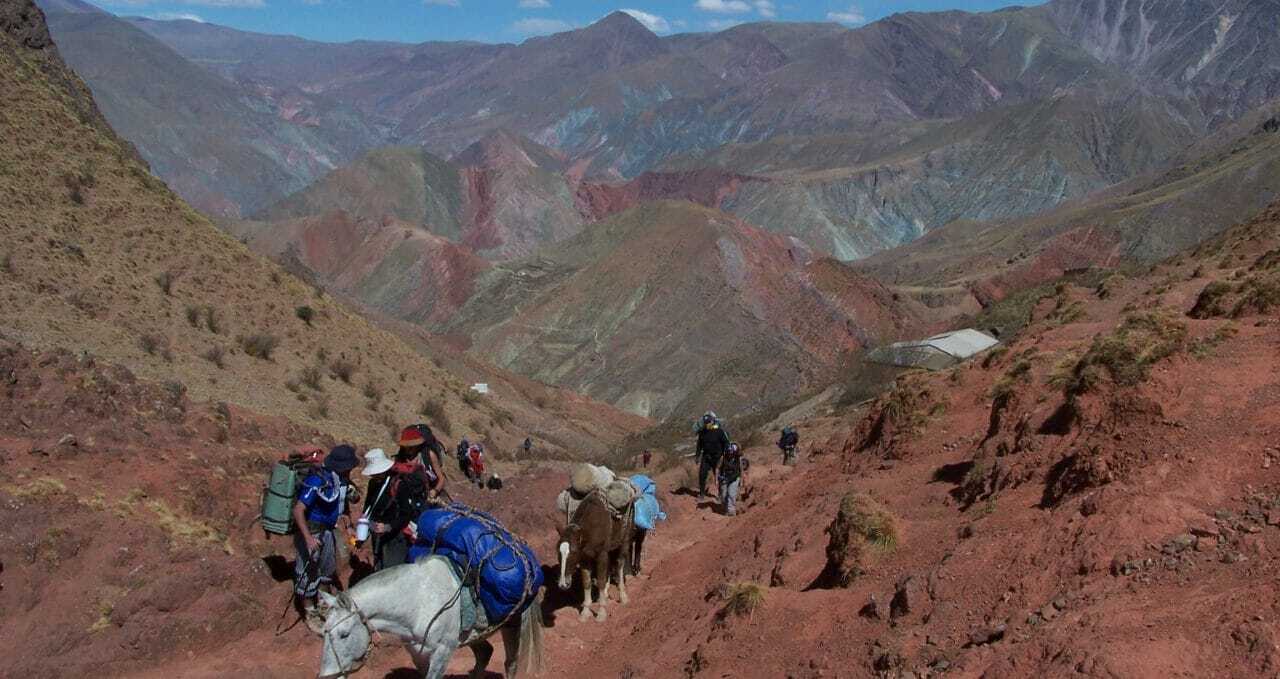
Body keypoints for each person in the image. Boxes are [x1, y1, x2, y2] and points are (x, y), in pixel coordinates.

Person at [292, 444, 359, 633]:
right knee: (307, 572)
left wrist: (349, 526)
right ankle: (310, 612)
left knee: (327, 570)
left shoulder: (339, 481)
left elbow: (342, 506)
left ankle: (324, 606)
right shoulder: (316, 481)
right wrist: (307, 539)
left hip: (328, 532)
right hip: (311, 532)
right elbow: (299, 510)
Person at [367, 426, 447, 571]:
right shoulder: (400, 457)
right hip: (406, 497)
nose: (409, 450)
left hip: (427, 496)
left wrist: (434, 492)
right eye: (407, 447)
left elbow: (441, 478)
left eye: (412, 447)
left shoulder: (428, 455)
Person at [695, 412, 730, 502]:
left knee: (719, 476)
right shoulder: (702, 433)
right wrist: (697, 456)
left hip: (718, 457)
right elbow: (699, 445)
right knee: (702, 475)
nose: (707, 425)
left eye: (708, 423)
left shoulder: (719, 431)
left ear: (712, 422)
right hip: (706, 457)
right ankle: (702, 494)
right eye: (705, 423)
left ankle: (720, 495)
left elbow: (726, 443)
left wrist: (725, 454)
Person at [718, 443, 748, 516]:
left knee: (731, 494)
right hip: (724, 478)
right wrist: (716, 479)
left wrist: (742, 480)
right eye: (729, 452)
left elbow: (741, 469)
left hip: (734, 478)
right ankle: (725, 509)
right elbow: (717, 468)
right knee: (724, 495)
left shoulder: (739, 458)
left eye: (732, 453)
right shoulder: (723, 458)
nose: (730, 455)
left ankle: (731, 511)